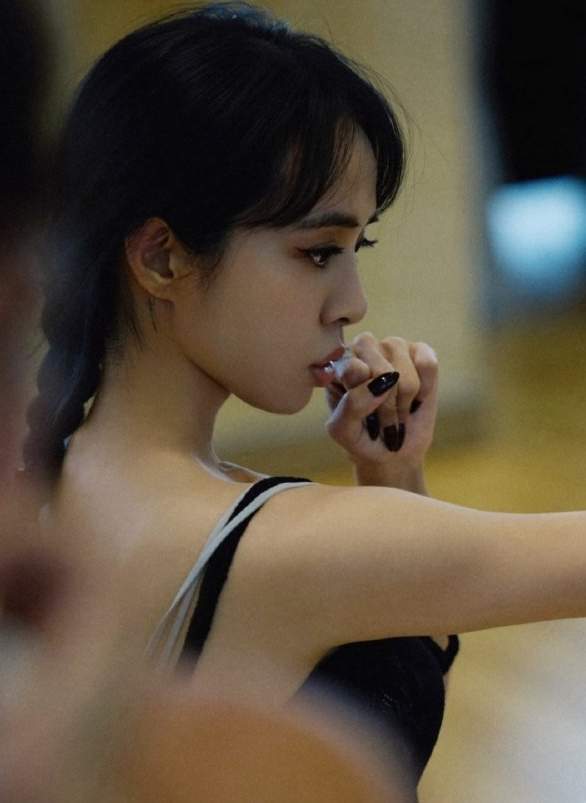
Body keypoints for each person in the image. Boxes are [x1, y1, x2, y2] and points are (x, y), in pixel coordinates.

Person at [23, 1, 586, 794]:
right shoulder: (290, 546)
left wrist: (393, 476)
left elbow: (387, 604)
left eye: (358, 247)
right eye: (318, 252)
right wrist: (388, 509)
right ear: (161, 258)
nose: (352, 302)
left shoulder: (52, 475)